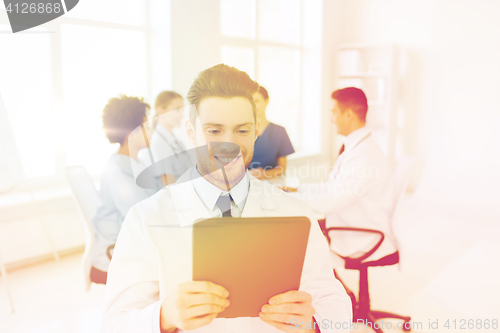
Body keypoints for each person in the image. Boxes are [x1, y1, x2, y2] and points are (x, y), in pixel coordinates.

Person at [101, 64, 352, 333]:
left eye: (242, 131)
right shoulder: (146, 218)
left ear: (256, 130)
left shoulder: (295, 212)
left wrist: (314, 324)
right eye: (214, 131)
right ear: (190, 132)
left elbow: (335, 304)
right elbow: (115, 324)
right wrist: (164, 316)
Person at [284, 87, 396, 265]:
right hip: (351, 222)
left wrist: (289, 198)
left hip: (363, 235)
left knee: (294, 237)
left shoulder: (363, 157)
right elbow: (333, 187)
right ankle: (338, 286)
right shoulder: (358, 148)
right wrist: (297, 189)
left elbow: (328, 203)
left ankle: (338, 289)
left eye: (334, 112)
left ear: (349, 115)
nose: (332, 119)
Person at [90, 95, 161, 284]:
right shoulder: (118, 171)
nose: (152, 131)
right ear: (131, 132)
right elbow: (141, 214)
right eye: (146, 126)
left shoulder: (135, 162)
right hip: (114, 254)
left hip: (133, 243)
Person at [140, 91, 193, 186]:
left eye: (182, 110)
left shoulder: (177, 142)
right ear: (161, 111)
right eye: (177, 110)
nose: (182, 115)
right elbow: (169, 185)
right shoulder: (157, 143)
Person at [248, 86, 294, 180]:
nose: (253, 105)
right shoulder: (242, 132)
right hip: (246, 183)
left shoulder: (280, 132)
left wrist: (264, 174)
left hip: (272, 183)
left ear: (266, 101)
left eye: (256, 101)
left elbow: (282, 168)